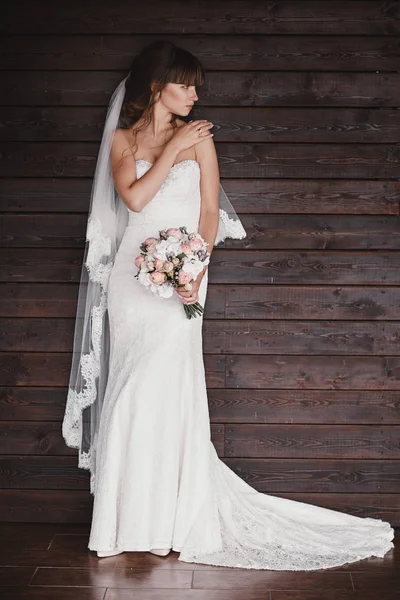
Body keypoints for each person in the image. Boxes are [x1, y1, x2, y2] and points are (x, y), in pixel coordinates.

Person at [62, 40, 394, 569]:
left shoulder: (203, 140)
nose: (194, 95)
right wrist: (171, 149)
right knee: (129, 388)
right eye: (184, 85)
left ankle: (171, 520)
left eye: (197, 86)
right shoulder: (123, 138)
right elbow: (134, 199)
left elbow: (210, 212)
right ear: (156, 87)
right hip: (133, 275)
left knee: (169, 389)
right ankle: (124, 523)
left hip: (186, 276)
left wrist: (193, 270)